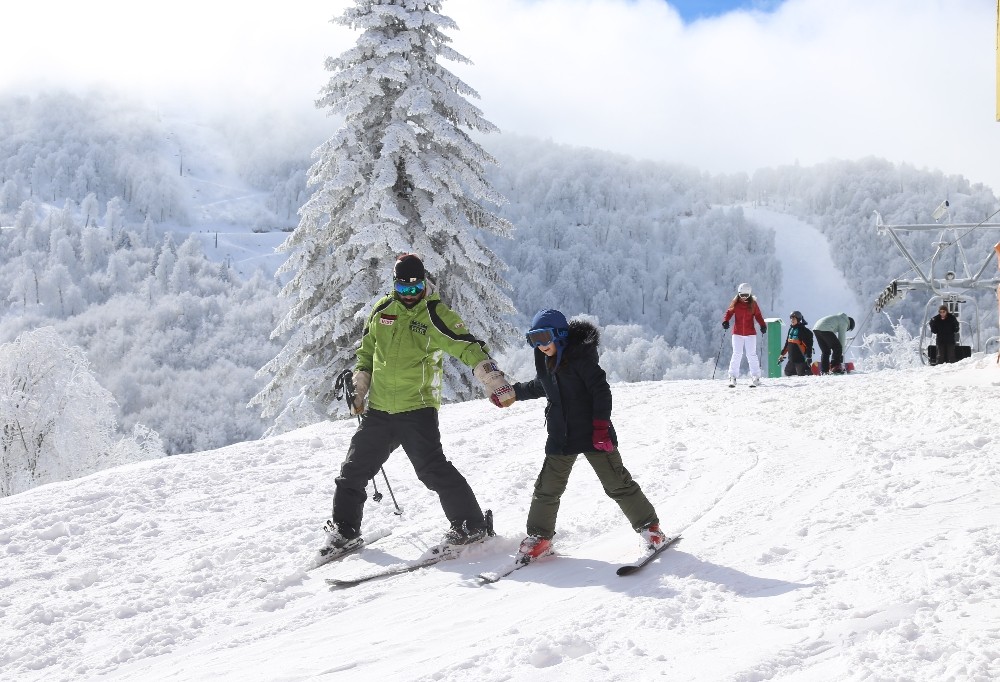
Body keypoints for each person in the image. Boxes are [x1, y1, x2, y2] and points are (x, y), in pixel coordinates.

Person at [319, 253, 516, 561]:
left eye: (415, 288)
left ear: (424, 284)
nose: (410, 295)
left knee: (432, 470)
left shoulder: (435, 314)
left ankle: (471, 526)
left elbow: (467, 346)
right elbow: (367, 354)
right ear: (394, 285)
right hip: (381, 410)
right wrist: (359, 388)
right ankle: (345, 532)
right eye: (403, 289)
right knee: (353, 471)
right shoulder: (383, 310)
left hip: (417, 408)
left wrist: (493, 379)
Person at [507, 309, 666, 565]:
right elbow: (542, 385)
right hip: (562, 435)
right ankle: (540, 537)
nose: (540, 345)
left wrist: (601, 428)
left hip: (594, 433)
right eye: (533, 340)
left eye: (544, 337)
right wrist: (514, 393)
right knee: (547, 489)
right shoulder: (545, 358)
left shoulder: (580, 358)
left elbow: (601, 391)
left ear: (559, 335)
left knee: (618, 483)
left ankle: (651, 528)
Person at [722, 283, 767, 387]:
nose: (744, 298)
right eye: (742, 295)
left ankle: (755, 376)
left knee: (751, 354)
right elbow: (729, 313)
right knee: (737, 353)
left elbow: (758, 315)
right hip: (737, 333)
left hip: (750, 333)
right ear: (739, 294)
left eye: (746, 295)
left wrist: (762, 325)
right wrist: (726, 321)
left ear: (750, 295)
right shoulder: (735, 303)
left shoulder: (753, 304)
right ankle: (732, 377)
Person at [778, 311, 814, 376]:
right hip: (791, 358)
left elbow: (808, 345)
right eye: (791, 319)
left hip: (800, 359)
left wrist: (809, 357)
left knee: (801, 375)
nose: (792, 320)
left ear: (798, 319)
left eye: (794, 319)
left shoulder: (802, 330)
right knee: (787, 372)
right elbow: (787, 344)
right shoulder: (791, 329)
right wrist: (782, 354)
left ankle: (811, 372)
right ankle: (807, 371)